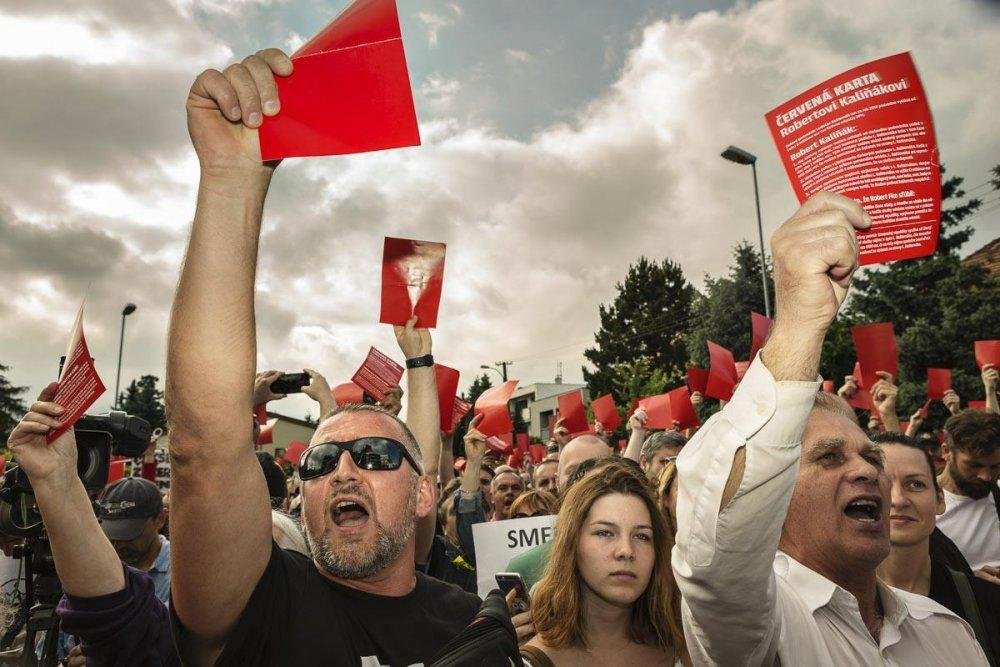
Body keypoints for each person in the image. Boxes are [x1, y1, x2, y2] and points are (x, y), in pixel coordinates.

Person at [166, 48, 479, 665]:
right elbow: (202, 448)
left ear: (423, 497)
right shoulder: (262, 607)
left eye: (372, 455)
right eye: (319, 463)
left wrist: (419, 362)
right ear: (299, 500)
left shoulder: (474, 625)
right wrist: (231, 181)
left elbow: (423, 455)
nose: (342, 470)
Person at [673, 190, 989, 665]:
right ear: (772, 495)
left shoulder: (947, 632)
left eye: (871, 456)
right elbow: (716, 552)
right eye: (828, 456)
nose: (867, 471)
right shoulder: (762, 629)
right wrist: (800, 322)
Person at [7, 385, 179, 665]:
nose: (120, 544)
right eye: (113, 533)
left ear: (159, 520)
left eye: (130, 533)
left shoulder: (186, 571)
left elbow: (153, 642)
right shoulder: (83, 560)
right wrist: (54, 480)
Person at [520, 459, 684, 665]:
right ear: (572, 543)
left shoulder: (687, 649)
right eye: (605, 533)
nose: (626, 551)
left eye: (642, 536)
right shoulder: (528, 660)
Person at [873, 433, 1000, 664]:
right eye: (882, 484)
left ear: (940, 499)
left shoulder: (987, 603)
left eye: (916, 484)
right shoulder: (826, 608)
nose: (898, 499)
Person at [936, 409, 1000, 577]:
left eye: (994, 467)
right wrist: (971, 582)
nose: (986, 476)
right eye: (974, 465)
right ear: (947, 452)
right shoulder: (921, 502)